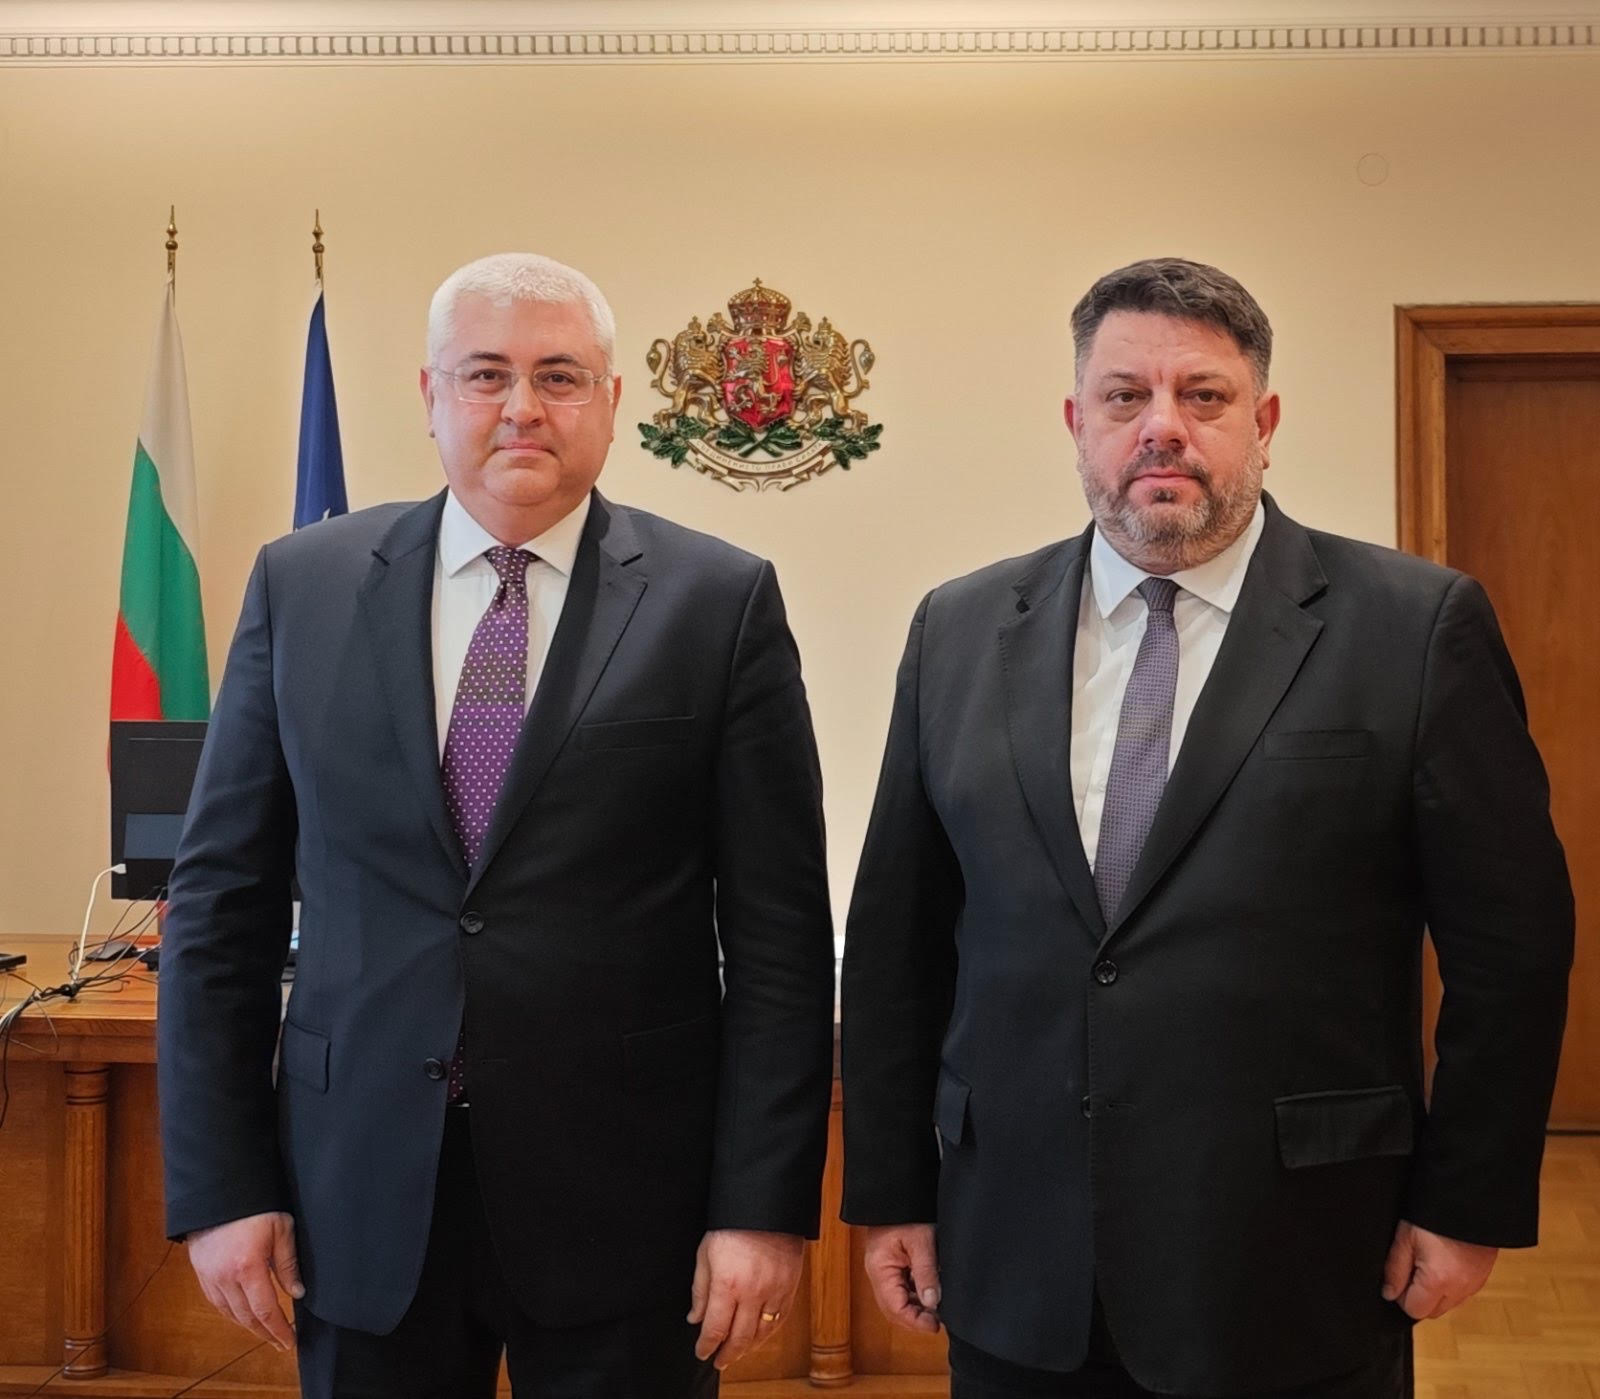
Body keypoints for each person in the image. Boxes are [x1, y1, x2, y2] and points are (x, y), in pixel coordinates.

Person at [839, 257, 1573, 1398]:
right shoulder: (960, 629)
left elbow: (1510, 948)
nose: (1162, 427)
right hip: (1016, 1253)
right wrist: (892, 1188)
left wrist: (1464, 1200)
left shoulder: (1412, 628)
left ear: (1263, 424)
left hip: (1296, 1258)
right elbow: (898, 940)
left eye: (1204, 396)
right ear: (1077, 423)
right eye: (1125, 396)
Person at [158, 252, 836, 1398]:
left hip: (631, 1206)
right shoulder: (301, 587)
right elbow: (222, 906)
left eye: (558, 375)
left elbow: (780, 940)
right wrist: (222, 1185)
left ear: (610, 401)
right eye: (485, 374)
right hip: (356, 1191)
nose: (522, 406)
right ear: (430, 396)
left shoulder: (717, 603)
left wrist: (759, 1207)